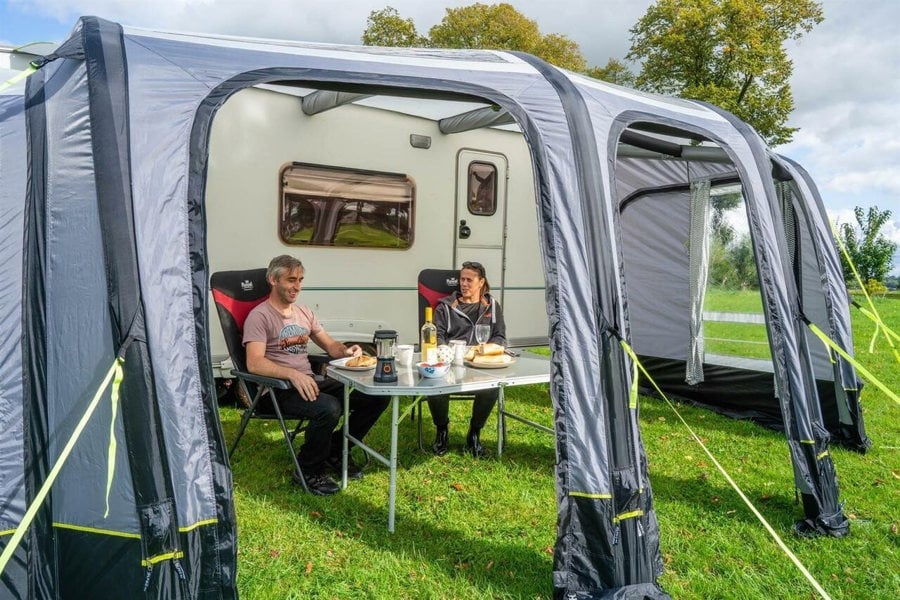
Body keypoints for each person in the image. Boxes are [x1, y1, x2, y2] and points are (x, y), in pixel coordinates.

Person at [243, 255, 389, 495]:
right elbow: (254, 362)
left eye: (300, 280)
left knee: (375, 396)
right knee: (329, 407)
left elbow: (331, 347)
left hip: (307, 383)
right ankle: (309, 470)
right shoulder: (260, 316)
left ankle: (335, 450)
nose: (297, 287)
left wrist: (347, 351)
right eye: (291, 280)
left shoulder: (304, 313)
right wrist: (292, 374)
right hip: (276, 390)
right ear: (272, 279)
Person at [428, 261, 507, 458]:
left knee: (491, 388)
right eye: (461, 279)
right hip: (451, 364)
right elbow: (436, 337)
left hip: (480, 365)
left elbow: (499, 337)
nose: (463, 284)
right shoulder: (445, 307)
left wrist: (485, 351)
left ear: (481, 282)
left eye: (469, 280)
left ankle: (474, 433)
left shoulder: (492, 306)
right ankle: (442, 430)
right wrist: (445, 351)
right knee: (434, 385)